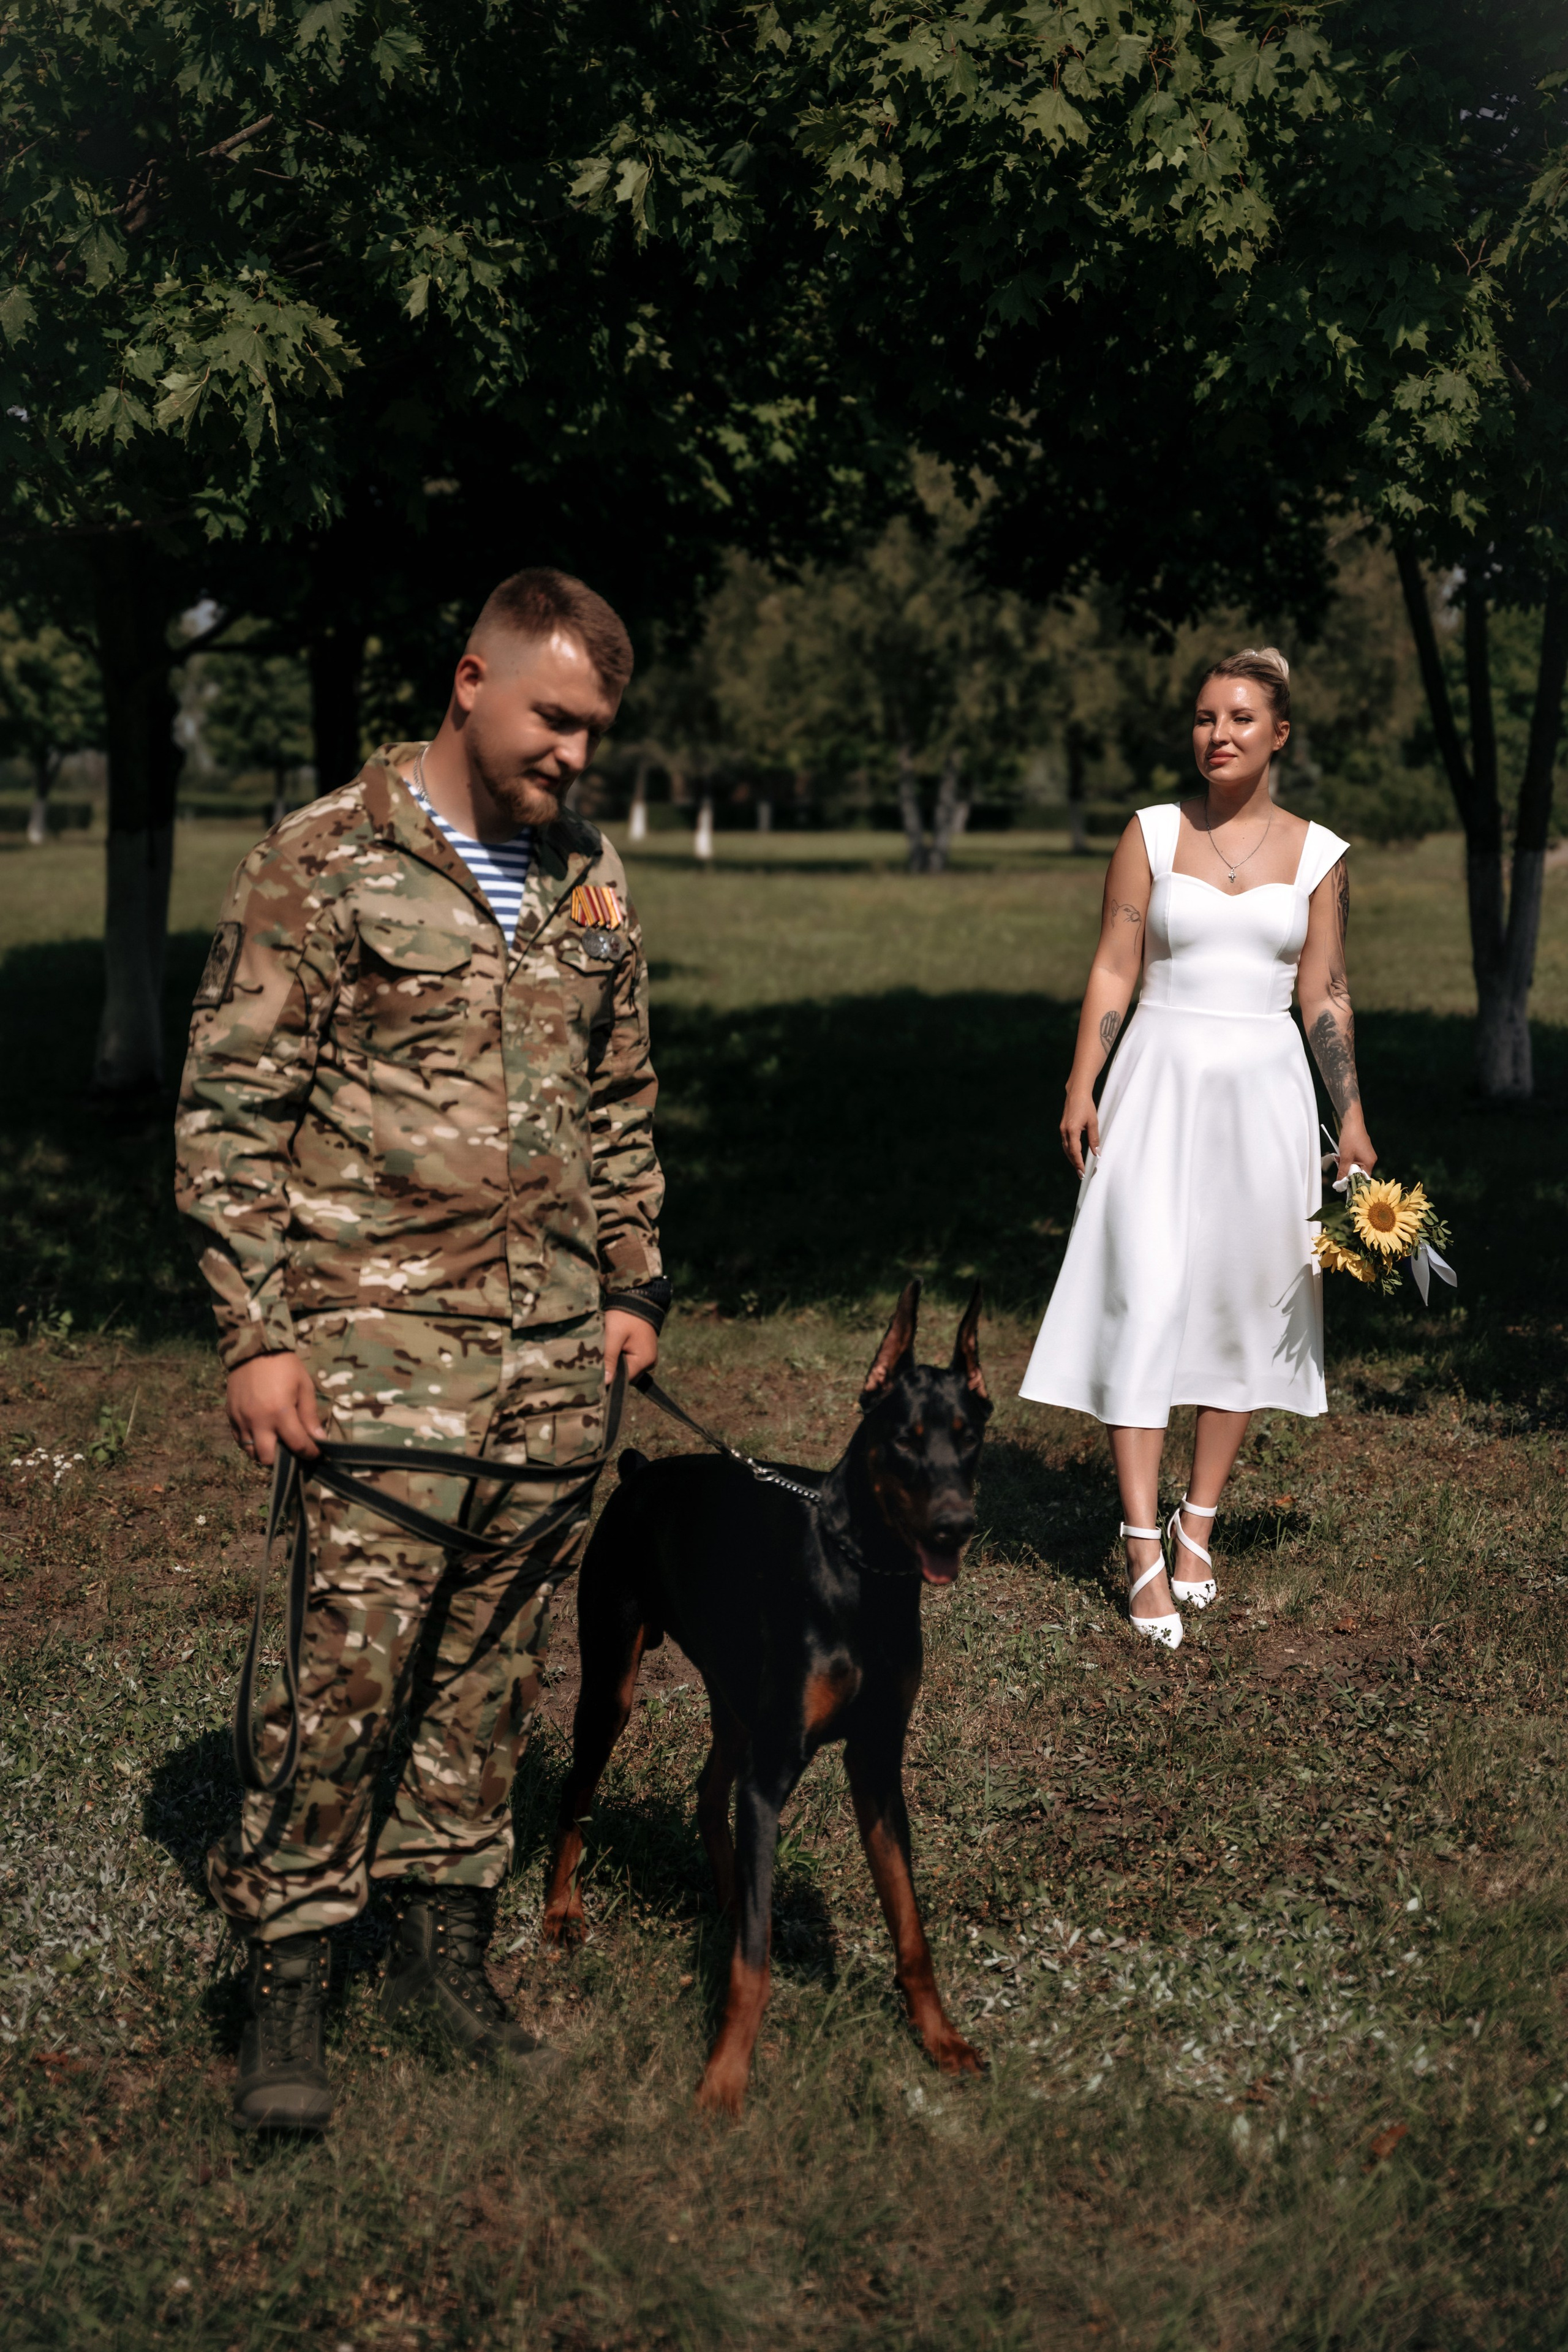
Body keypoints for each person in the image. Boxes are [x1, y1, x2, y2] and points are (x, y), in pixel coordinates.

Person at [175, 568, 668, 2130]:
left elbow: (620, 1104)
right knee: (345, 1679)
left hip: (546, 1369)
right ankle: (291, 1980)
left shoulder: (588, 883)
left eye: (595, 731)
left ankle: (441, 1952)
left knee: (489, 1675)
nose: (575, 756)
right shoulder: (322, 861)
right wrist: (255, 1337)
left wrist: (633, 1285)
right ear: (470, 681)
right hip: (374, 1360)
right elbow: (230, 1113)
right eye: (554, 720)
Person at [1019, 647, 1374, 1648]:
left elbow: (1325, 992)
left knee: (1241, 1301)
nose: (1218, 734)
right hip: (1157, 1085)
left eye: (1241, 718)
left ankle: (1199, 1522)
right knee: (1144, 1291)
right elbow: (1113, 967)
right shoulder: (1151, 835)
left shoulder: (1319, 856)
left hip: (1266, 1097)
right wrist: (1082, 1081)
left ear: (1280, 736)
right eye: (1204, 718)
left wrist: (1346, 1114)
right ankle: (1140, 1544)